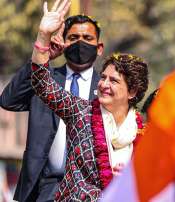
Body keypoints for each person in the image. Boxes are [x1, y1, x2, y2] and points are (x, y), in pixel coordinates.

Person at [30, 0, 149, 200]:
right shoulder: (80, 112)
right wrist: (43, 36)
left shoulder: (143, 132)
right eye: (103, 77)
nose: (103, 84)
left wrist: (132, 177)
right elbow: (42, 83)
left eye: (113, 81)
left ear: (132, 91)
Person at [0, 1, 104, 201]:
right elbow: (8, 100)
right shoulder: (45, 80)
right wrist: (43, 52)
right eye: (73, 37)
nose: (80, 42)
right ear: (64, 43)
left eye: (87, 38)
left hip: (91, 189)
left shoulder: (107, 89)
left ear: (99, 48)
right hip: (43, 188)